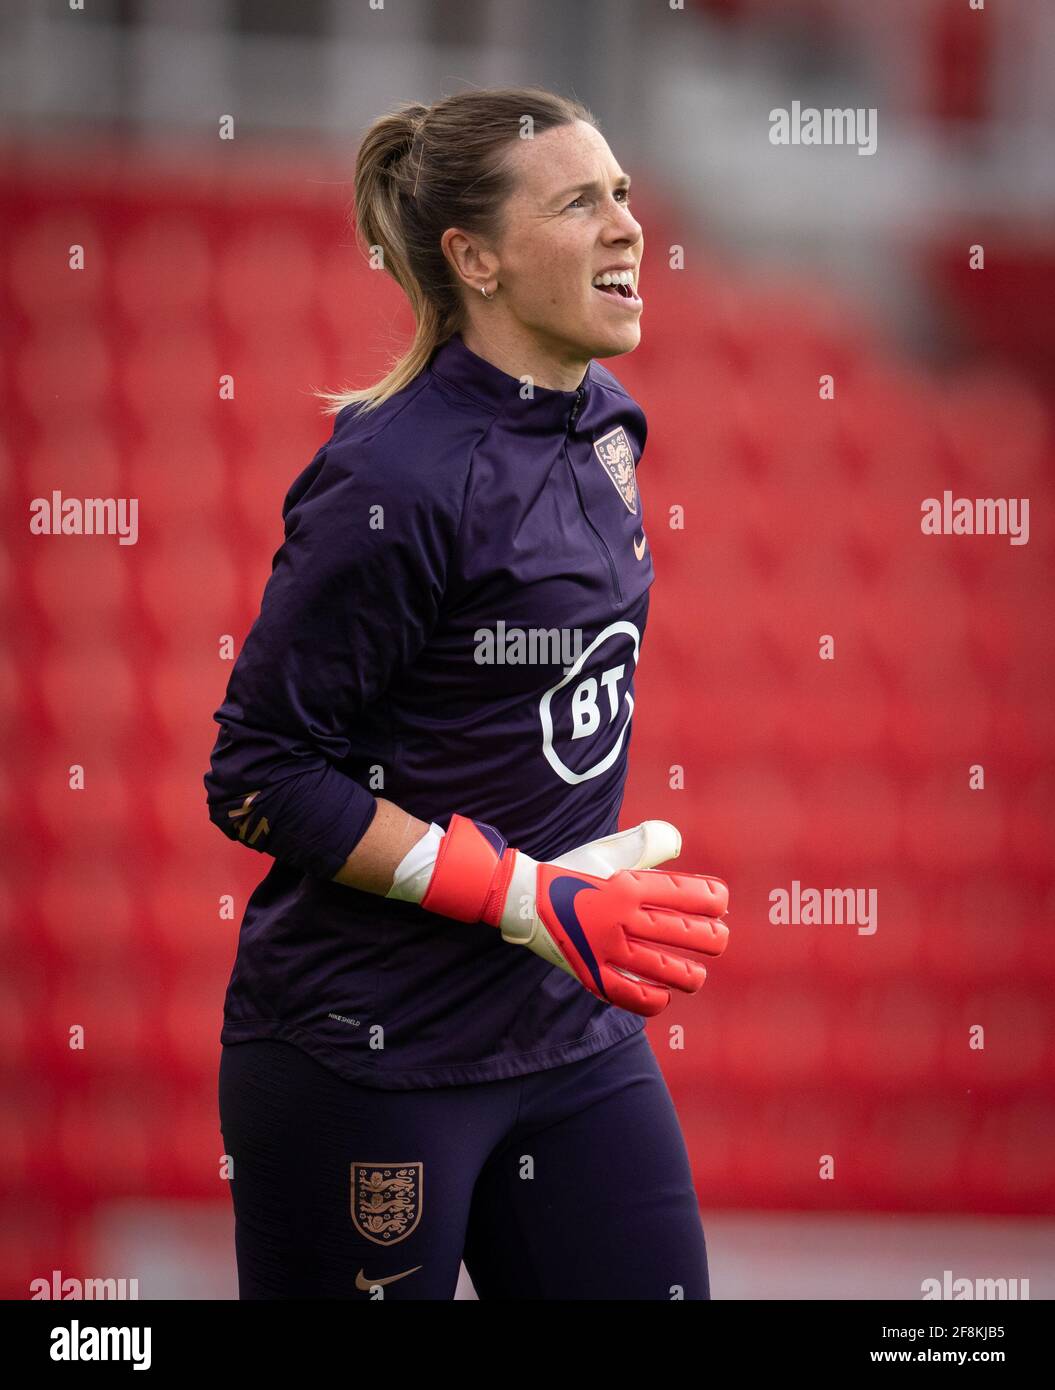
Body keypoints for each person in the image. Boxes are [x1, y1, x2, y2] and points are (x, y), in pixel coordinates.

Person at [205, 85, 731, 1301]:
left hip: (567, 1034)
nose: (624, 226)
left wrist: (549, 903)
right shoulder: (389, 479)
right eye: (577, 203)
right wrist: (520, 895)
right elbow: (258, 779)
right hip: (367, 1057)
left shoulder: (607, 421)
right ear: (473, 258)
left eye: (623, 195)